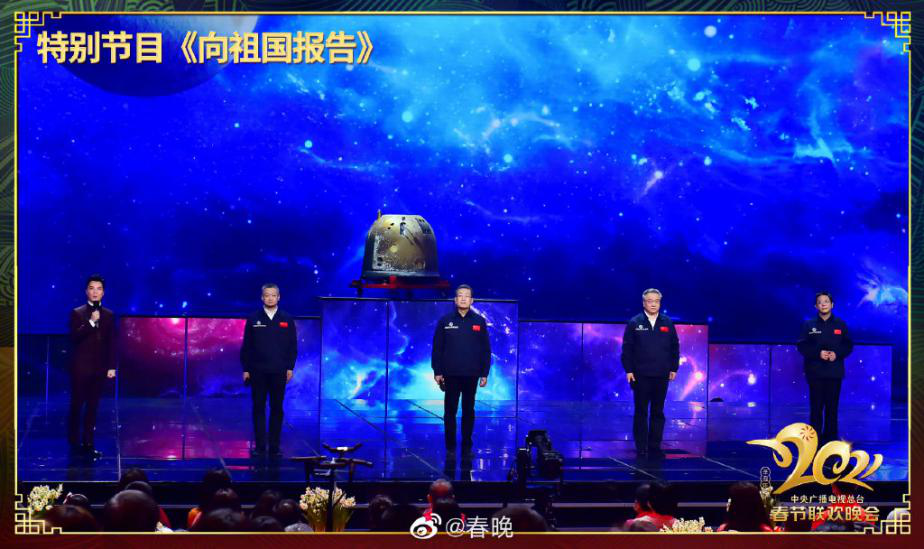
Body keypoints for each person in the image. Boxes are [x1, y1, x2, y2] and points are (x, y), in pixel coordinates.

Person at [431, 284, 491, 456]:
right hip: (450, 373)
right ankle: (450, 444)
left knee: (468, 410)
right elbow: (437, 348)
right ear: (455, 299)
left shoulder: (479, 321)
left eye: (467, 296)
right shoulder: (445, 321)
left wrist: (484, 373)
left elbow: (485, 349)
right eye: (460, 295)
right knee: (450, 410)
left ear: (472, 300)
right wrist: (437, 371)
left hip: (471, 374)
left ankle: (466, 442)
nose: (463, 298)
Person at [620, 289, 679, 460]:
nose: (653, 304)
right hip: (640, 375)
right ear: (643, 303)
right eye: (650, 301)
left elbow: (674, 347)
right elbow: (627, 349)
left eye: (656, 301)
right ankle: (641, 447)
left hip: (661, 374)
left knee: (657, 412)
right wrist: (629, 370)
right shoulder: (635, 322)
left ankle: (654, 446)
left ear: (660, 303)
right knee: (641, 411)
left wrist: (673, 368)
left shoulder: (667, 322)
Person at [240, 283, 297, 459]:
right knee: (258, 407)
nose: (270, 298)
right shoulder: (253, 319)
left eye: (273, 295)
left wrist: (290, 367)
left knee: (277, 408)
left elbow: (292, 346)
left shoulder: (287, 319)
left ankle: (274, 447)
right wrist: (246, 369)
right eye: (267, 295)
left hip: (279, 371)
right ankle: (259, 447)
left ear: (278, 297)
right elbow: (247, 346)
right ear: (262, 297)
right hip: (257, 371)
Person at [68, 274, 116, 459]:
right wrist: (91, 322)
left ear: (103, 292)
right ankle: (73, 441)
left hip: (99, 369)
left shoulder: (109, 315)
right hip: (81, 369)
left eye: (99, 288)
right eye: (91, 288)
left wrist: (111, 366)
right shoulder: (77, 313)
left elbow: (112, 342)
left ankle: (88, 443)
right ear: (86, 291)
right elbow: (74, 337)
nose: (95, 292)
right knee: (77, 405)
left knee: (93, 407)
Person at [797, 292, 853, 444]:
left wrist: (837, 354)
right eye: (820, 302)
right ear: (816, 306)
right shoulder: (809, 325)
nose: (823, 304)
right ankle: (814, 440)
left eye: (826, 301)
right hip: (815, 372)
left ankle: (831, 440)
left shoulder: (841, 324)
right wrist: (818, 353)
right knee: (816, 408)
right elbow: (802, 346)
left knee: (832, 408)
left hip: (834, 372)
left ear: (832, 305)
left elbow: (848, 345)